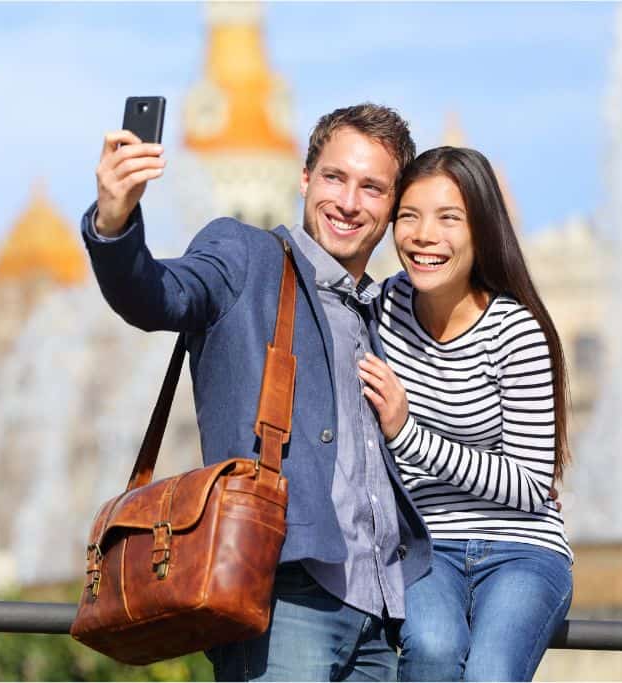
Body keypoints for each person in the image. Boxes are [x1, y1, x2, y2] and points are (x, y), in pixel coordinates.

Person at [83, 103, 431, 681]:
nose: (349, 202)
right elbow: (157, 295)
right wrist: (114, 225)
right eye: (335, 178)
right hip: (281, 594)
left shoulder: (383, 308)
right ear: (304, 178)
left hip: (380, 614)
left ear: (391, 207)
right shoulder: (246, 256)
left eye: (372, 188)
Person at [358, 146, 573, 681]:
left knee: (491, 672)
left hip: (522, 549)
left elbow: (529, 486)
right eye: (409, 216)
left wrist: (407, 433)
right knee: (432, 647)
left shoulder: (515, 331)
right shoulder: (378, 312)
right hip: (426, 548)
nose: (424, 235)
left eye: (449, 218)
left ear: (483, 230)